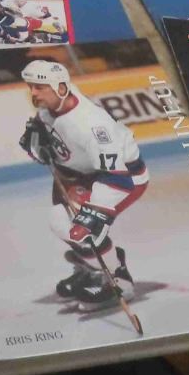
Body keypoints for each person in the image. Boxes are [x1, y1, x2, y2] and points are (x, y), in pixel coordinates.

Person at [17, 59, 145, 306]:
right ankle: (92, 269)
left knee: (75, 228)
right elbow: (53, 139)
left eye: (39, 87)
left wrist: (95, 212)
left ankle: (120, 281)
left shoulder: (92, 124)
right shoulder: (53, 104)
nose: (33, 93)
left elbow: (118, 178)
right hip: (78, 175)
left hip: (119, 178)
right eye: (30, 86)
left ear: (60, 88)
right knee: (64, 225)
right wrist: (41, 147)